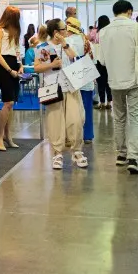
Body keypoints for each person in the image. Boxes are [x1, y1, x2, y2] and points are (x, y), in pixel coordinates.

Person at [99, 0, 138, 174]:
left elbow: (102, 60)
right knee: (135, 117)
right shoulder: (136, 27)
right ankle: (133, 157)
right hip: (134, 79)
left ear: (114, 13)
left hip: (114, 80)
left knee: (119, 118)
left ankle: (121, 154)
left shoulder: (104, 31)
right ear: (129, 11)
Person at [36, 19, 87, 169]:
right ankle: (57, 153)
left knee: (76, 120)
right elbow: (37, 67)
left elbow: (75, 58)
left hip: (71, 87)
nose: (67, 30)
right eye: (64, 28)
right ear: (56, 32)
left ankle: (77, 151)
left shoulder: (68, 44)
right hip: (53, 89)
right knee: (55, 122)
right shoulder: (44, 48)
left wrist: (64, 44)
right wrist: (51, 65)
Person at [0, 6, 24, 151]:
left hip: (14, 65)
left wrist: (21, 65)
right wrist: (9, 70)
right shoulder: (0, 30)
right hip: (4, 66)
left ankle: (7, 135)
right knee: (8, 102)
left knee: (11, 103)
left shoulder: (16, 31)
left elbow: (17, 50)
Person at [66, 17, 96, 145]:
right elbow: (94, 61)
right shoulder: (87, 42)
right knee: (87, 107)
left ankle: (73, 135)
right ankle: (87, 135)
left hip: (71, 77)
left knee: (72, 108)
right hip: (87, 76)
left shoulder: (67, 41)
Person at [93, 15, 113, 110]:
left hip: (99, 60)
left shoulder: (97, 33)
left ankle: (102, 102)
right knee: (109, 82)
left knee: (100, 82)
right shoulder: (111, 32)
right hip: (109, 60)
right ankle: (109, 102)